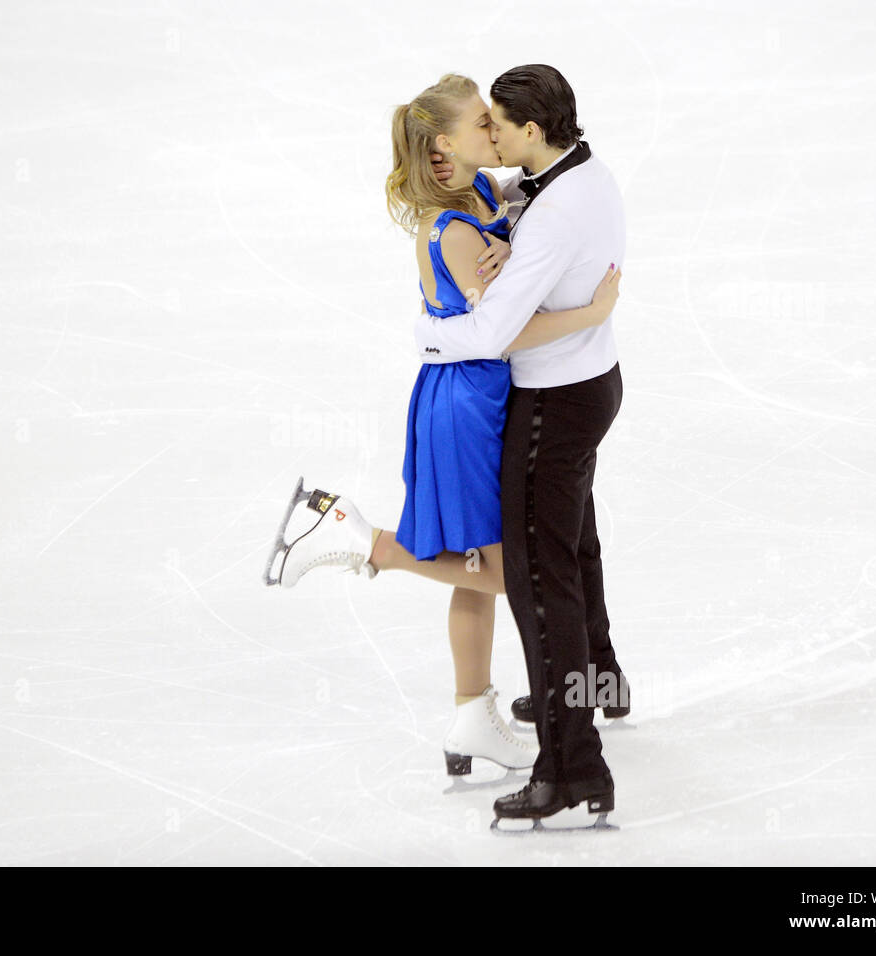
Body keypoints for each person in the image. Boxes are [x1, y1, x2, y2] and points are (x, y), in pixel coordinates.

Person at [263, 73, 621, 782]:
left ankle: (469, 710)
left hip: (484, 395)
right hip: (467, 404)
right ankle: (361, 541)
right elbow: (500, 331)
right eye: (484, 125)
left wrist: (517, 237)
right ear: (443, 153)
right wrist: (589, 314)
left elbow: (529, 207)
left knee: (479, 563)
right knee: (506, 570)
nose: (497, 133)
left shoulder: (488, 195)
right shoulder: (451, 230)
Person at [412, 64, 629, 827]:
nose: (491, 137)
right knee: (576, 550)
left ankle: (572, 769)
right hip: (594, 385)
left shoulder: (550, 218)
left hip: (551, 408)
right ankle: (597, 681)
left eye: (497, 125)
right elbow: (511, 201)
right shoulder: (578, 175)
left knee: (541, 589)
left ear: (531, 131)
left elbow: (489, 335)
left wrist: (425, 334)